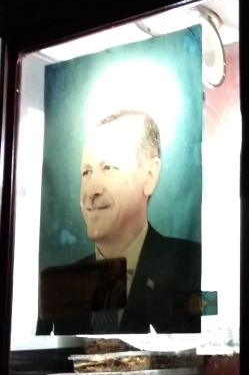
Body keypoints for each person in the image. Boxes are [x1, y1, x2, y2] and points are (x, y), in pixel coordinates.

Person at [37, 110, 201, 335]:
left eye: (108, 168)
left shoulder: (194, 266)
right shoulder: (60, 287)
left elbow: (212, 346)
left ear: (149, 176)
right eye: (86, 172)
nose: (91, 191)